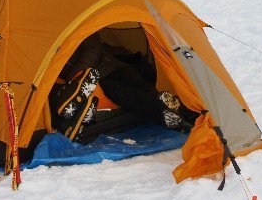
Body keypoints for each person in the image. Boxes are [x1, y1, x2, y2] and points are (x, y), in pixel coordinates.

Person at [50, 33, 198, 140]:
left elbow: (93, 47)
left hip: (112, 66)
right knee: (119, 91)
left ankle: (169, 108)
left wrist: (80, 73)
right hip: (99, 80)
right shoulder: (44, 55)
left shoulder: (75, 32)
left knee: (137, 83)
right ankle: (165, 111)